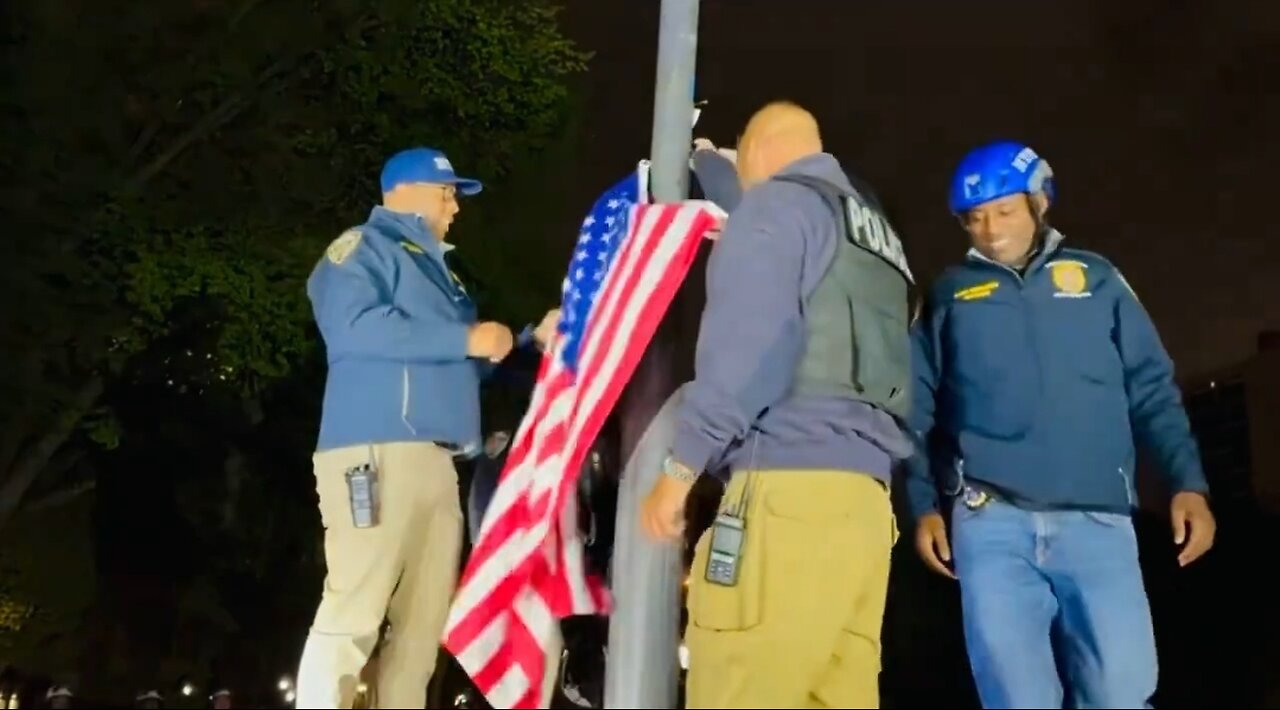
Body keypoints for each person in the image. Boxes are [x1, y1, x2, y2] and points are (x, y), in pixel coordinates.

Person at [904, 140, 1217, 708]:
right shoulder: (948, 295)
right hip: (991, 525)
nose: (990, 229)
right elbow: (917, 409)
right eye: (974, 219)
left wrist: (1186, 483)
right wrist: (923, 503)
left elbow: (1150, 388)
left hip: (1097, 521)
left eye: (1003, 211)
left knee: (1121, 693)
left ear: (1038, 202)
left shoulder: (1098, 280)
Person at [640, 101, 916, 709]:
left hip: (787, 498)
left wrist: (679, 470)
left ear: (759, 153)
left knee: (739, 686)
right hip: (866, 512)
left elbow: (748, 348)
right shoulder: (874, 235)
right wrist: (710, 162)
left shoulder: (772, 207)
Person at [296, 146, 559, 709]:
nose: (455, 207)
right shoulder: (362, 249)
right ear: (406, 192)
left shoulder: (444, 277)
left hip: (439, 462)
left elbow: (464, 366)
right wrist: (465, 340)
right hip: (374, 450)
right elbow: (353, 329)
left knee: (422, 626)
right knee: (355, 609)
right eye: (447, 193)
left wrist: (530, 339)